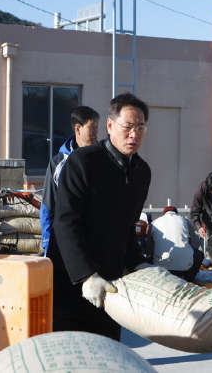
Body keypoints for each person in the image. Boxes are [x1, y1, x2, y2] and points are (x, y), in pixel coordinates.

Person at [46, 93, 152, 341]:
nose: (134, 135)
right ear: (110, 125)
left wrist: (140, 264)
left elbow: (126, 229)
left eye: (140, 128)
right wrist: (86, 275)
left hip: (108, 287)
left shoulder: (141, 172)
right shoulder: (83, 162)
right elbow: (65, 222)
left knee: (106, 356)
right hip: (69, 282)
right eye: (128, 127)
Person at [39, 105, 100, 256]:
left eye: (97, 127)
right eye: (92, 127)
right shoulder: (58, 162)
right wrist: (47, 241)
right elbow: (48, 205)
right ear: (78, 129)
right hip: (66, 238)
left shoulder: (102, 158)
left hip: (96, 239)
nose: (95, 133)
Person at [146, 206, 204, 282]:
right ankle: (188, 279)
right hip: (184, 269)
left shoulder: (154, 223)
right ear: (176, 214)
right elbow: (195, 244)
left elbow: (149, 249)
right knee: (199, 254)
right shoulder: (184, 221)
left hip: (160, 269)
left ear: (163, 214)